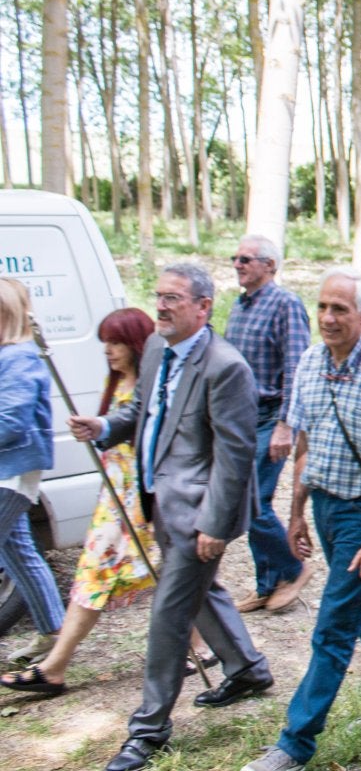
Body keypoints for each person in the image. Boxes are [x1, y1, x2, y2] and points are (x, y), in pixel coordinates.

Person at [68, 264, 270, 771]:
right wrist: (103, 425)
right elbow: (142, 412)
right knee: (203, 594)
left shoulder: (226, 367)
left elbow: (234, 453)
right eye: (158, 296)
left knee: (168, 614)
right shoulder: (157, 349)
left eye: (173, 298)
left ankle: (148, 731)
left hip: (199, 512)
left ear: (203, 307)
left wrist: (215, 525)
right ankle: (247, 668)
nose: (160, 306)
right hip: (159, 500)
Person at [239, 269, 361, 771]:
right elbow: (304, 445)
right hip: (323, 504)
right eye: (322, 307)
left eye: (340, 309)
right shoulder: (310, 362)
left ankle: (295, 744)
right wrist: (295, 514)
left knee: (333, 627)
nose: (328, 318)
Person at [0, 309, 219, 695]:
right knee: (157, 576)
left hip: (141, 504)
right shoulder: (117, 384)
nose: (108, 350)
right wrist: (95, 430)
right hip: (114, 503)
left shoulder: (153, 388)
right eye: (104, 341)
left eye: (116, 342)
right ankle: (199, 647)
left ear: (136, 344)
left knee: (129, 577)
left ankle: (54, 668)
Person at [224, 235, 314, 615]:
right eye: (236, 258)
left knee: (253, 504)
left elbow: (297, 368)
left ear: (270, 266)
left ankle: (295, 569)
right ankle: (267, 583)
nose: (238, 264)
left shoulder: (286, 304)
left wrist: (284, 425)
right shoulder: (240, 306)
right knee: (246, 501)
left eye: (247, 259)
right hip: (239, 420)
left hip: (268, 418)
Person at [0, 278, 63, 670]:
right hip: (8, 471)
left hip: (10, 474)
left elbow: (12, 420)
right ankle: (54, 633)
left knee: (18, 551)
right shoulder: (11, 354)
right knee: (19, 552)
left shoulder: (19, 358)